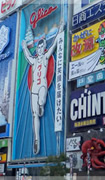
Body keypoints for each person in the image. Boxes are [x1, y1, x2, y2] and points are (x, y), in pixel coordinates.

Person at [21, 23, 63, 155]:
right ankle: (36, 140)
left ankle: (41, 104)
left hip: (43, 85)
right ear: (37, 48)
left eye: (41, 47)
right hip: (33, 88)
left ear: (44, 48)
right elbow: (27, 56)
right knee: (34, 115)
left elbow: (55, 44)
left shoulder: (46, 57)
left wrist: (60, 30)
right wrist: (23, 47)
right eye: (38, 47)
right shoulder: (33, 60)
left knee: (42, 96)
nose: (39, 49)